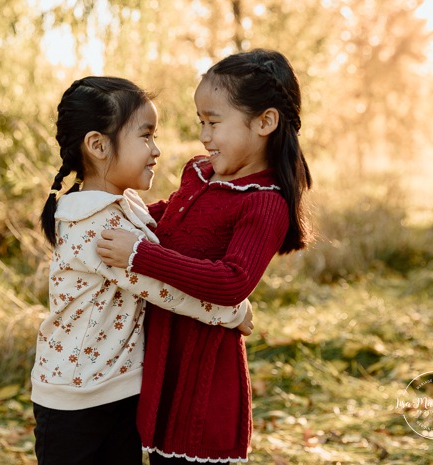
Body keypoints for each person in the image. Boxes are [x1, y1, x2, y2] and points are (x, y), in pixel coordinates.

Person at [96, 49, 313, 464]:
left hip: (205, 371)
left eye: (214, 122)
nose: (204, 135)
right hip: (163, 355)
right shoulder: (199, 173)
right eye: (201, 122)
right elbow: (166, 220)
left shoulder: (265, 203)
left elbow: (232, 281)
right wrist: (111, 213)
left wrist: (140, 255)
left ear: (265, 122)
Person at [32, 76, 254, 465]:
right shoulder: (97, 228)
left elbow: (169, 231)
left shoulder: (125, 207)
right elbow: (164, 289)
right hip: (76, 402)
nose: (156, 150)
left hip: (119, 390)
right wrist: (234, 312)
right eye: (146, 136)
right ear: (99, 146)